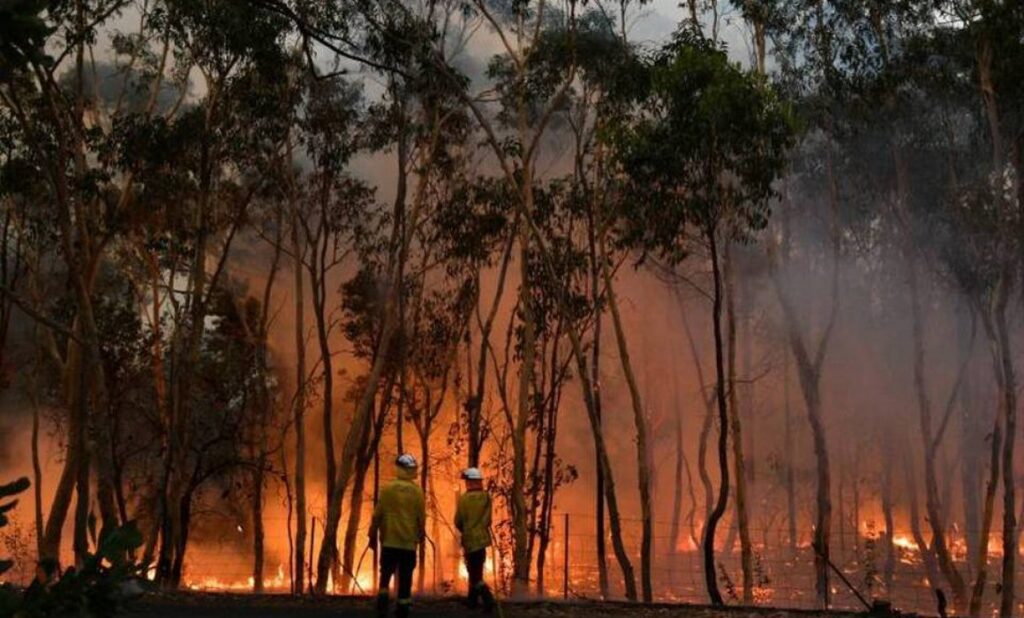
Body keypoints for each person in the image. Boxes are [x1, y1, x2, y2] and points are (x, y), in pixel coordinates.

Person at [370, 453, 425, 618]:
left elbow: (377, 514)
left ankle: (382, 602)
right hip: (408, 543)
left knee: (385, 573)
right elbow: (421, 517)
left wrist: (372, 534)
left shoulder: (387, 489)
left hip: (389, 541)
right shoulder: (417, 492)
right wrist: (420, 535)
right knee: (406, 577)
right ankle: (402, 609)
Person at [454, 467, 494, 612]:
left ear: (471, 482)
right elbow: (488, 520)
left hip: (470, 540)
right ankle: (472, 601)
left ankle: (488, 600)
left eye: (467, 481)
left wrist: (465, 530)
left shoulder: (463, 499)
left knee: (474, 573)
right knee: (477, 571)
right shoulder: (486, 497)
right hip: (482, 540)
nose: (466, 484)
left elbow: (457, 521)